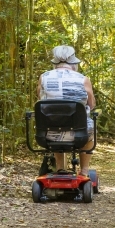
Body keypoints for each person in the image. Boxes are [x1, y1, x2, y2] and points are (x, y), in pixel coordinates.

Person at [36, 45, 96, 176]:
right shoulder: (83, 79)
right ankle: (84, 171)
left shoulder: (44, 77)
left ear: (55, 62)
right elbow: (91, 105)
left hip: (48, 134)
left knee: (55, 121)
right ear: (74, 62)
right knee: (89, 129)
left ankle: (60, 168)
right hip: (79, 135)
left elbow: (40, 98)